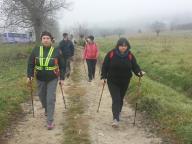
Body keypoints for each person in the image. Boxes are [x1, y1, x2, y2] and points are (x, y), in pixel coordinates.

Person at [100, 37, 144, 128]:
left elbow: (135, 66)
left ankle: (118, 112)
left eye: (125, 46)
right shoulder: (111, 53)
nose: (123, 47)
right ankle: (115, 119)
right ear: (118, 46)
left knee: (120, 98)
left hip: (125, 81)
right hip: (113, 81)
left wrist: (139, 72)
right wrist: (103, 77)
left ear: (128, 46)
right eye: (121, 45)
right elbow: (105, 66)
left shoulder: (130, 55)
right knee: (116, 99)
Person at [27, 31, 66, 130]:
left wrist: (62, 78)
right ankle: (47, 109)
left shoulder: (57, 50)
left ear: (51, 40)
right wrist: (29, 75)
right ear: (41, 40)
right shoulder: (36, 50)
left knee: (50, 98)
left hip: (52, 78)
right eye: (44, 38)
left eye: (47, 38)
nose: (45, 40)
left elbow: (62, 65)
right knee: (41, 96)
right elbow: (30, 63)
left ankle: (50, 121)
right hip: (40, 78)